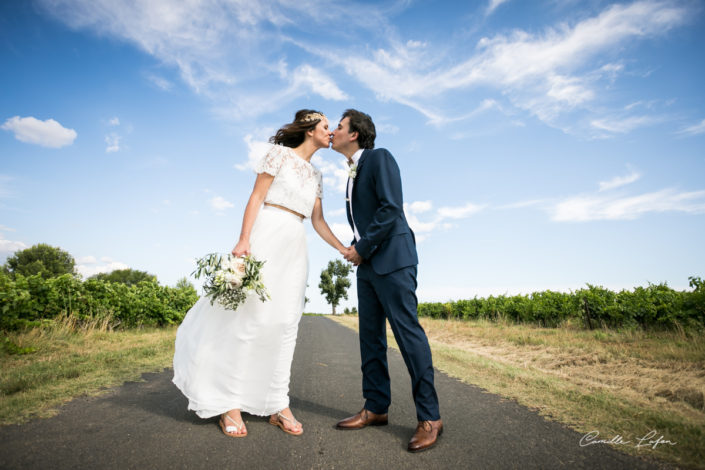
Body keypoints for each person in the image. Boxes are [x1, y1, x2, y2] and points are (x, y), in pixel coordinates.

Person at [173, 109, 346, 438]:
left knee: (284, 324)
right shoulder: (278, 155)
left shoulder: (318, 174)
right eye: (326, 126)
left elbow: (318, 222)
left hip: (295, 245)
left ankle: (276, 403)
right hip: (266, 235)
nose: (331, 131)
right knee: (247, 319)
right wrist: (243, 239)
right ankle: (229, 403)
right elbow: (256, 196)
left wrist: (343, 249)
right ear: (310, 129)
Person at [330, 109, 442, 452]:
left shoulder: (380, 158)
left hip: (393, 260)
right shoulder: (352, 172)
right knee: (370, 339)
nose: (333, 131)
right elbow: (366, 218)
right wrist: (358, 246)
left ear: (355, 134)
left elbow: (391, 208)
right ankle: (376, 408)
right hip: (368, 266)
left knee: (408, 337)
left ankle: (430, 417)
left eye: (339, 126)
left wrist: (361, 246)